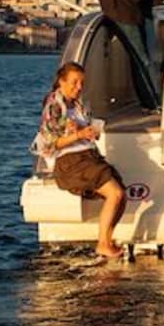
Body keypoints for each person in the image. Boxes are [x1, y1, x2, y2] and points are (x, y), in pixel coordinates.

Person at [31, 62, 126, 257]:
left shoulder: (77, 105)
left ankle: (106, 241)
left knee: (121, 196)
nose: (79, 87)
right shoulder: (54, 106)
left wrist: (91, 132)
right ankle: (103, 244)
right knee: (115, 193)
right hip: (70, 163)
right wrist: (79, 135)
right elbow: (51, 144)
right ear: (61, 81)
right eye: (74, 83)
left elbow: (83, 131)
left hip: (88, 156)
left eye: (81, 83)